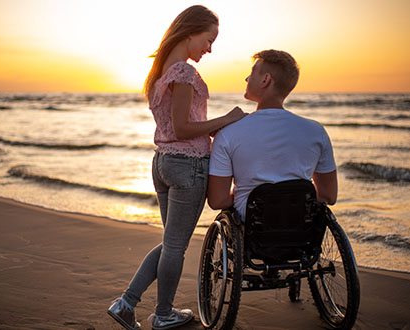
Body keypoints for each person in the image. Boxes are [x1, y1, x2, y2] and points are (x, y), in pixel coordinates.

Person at [107, 5, 245, 330]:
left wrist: (216, 126)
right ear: (190, 32)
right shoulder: (183, 72)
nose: (209, 48)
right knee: (175, 246)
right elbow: (183, 128)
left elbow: (176, 126)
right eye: (208, 39)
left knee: (171, 242)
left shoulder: (161, 72)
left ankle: (126, 303)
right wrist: (229, 120)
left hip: (164, 163)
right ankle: (164, 313)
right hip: (188, 166)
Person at [207, 49, 337, 221]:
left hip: (252, 226)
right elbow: (328, 196)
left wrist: (248, 197)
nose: (247, 79)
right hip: (300, 226)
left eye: (252, 73)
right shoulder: (316, 132)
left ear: (265, 80)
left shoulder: (228, 133)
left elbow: (217, 200)